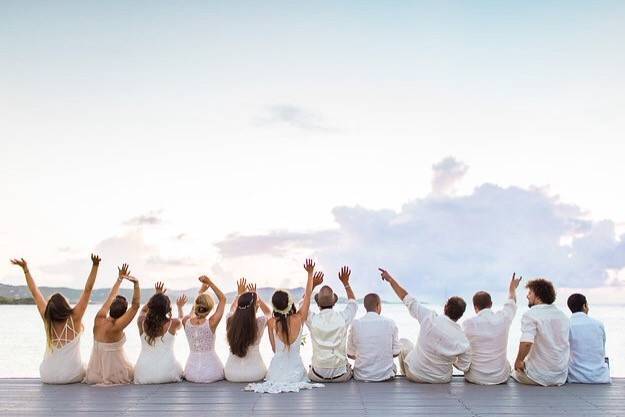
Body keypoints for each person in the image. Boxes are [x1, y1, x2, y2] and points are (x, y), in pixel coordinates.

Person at [10, 255, 101, 384]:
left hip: (48, 376)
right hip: (71, 375)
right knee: (86, 367)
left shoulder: (47, 318)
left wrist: (26, 270)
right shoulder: (75, 317)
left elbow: (35, 293)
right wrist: (95, 266)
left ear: (50, 308)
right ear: (65, 304)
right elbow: (88, 290)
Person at [379, 268, 471, 383]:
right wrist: (450, 357)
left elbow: (406, 298)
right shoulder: (462, 339)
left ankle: (405, 377)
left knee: (404, 343)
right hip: (441, 379)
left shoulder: (429, 317)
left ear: (445, 307)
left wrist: (390, 280)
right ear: (460, 315)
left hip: (415, 374)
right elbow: (464, 366)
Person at [245, 259, 324, 393]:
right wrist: (310, 274)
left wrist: (256, 297)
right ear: (290, 303)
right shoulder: (299, 318)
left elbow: (274, 349)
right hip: (296, 374)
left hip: (276, 374)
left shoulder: (271, 322)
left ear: (275, 306)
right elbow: (308, 297)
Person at [85, 263, 140, 385]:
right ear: (123, 313)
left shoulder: (99, 318)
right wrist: (136, 284)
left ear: (110, 307)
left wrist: (120, 278)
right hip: (114, 375)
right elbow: (135, 306)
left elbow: (111, 296)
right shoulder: (117, 327)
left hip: (94, 374)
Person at [462, 273, 522, 385]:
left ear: (475, 307)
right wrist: (512, 287)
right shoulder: (503, 318)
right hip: (500, 377)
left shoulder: (468, 324)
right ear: (491, 304)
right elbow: (511, 301)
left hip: (475, 376)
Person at [513, 278, 569, 386]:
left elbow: (527, 342)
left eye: (530, 293)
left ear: (538, 296)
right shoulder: (563, 316)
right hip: (560, 376)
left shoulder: (530, 314)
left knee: (513, 371)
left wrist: (519, 361)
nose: (527, 296)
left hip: (538, 377)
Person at [306, 266, 357, 383]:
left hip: (317, 375)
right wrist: (346, 283)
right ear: (334, 302)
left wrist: (312, 285)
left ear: (318, 303)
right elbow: (353, 303)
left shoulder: (312, 319)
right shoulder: (343, 318)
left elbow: (301, 306)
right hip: (341, 376)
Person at [177, 275, 227, 383]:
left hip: (191, 373)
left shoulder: (186, 321)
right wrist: (210, 282)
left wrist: (201, 292)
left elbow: (193, 311)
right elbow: (223, 299)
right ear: (210, 309)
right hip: (212, 373)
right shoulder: (212, 323)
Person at [134, 282, 183, 384]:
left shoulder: (141, 321)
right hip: (167, 374)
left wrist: (157, 295)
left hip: (143, 374)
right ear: (167, 308)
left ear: (151, 306)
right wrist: (180, 307)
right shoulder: (173, 323)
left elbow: (143, 309)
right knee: (179, 367)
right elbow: (181, 320)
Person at [224, 278, 272, 382]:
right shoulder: (260, 322)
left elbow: (232, 309)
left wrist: (239, 295)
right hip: (255, 373)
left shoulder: (229, 320)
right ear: (256, 306)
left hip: (232, 374)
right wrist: (257, 296)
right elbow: (269, 313)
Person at [347, 293, 401, 382]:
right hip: (386, 375)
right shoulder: (390, 323)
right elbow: (396, 353)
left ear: (365, 307)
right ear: (378, 305)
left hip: (361, 375)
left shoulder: (355, 324)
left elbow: (350, 354)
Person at [567, 293, 610, 384]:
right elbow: (602, 347)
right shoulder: (598, 324)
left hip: (576, 377)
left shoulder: (567, 325)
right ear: (584, 306)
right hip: (601, 376)